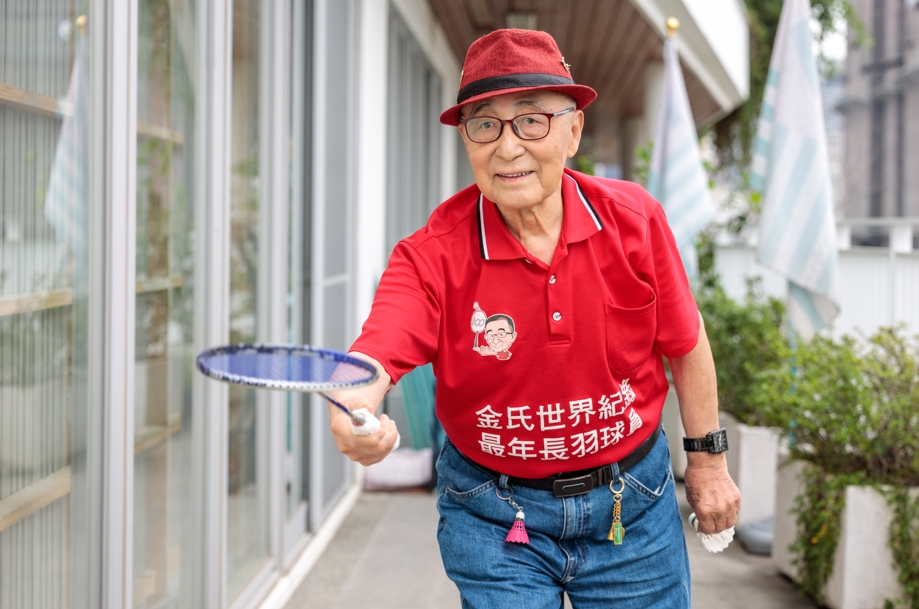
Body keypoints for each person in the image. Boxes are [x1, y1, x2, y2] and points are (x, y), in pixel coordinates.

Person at [328, 28, 740, 609]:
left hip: (633, 505)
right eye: (484, 124)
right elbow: (374, 352)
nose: (507, 146)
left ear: (573, 131)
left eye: (531, 120)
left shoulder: (635, 221)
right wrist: (354, 403)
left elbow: (686, 344)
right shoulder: (431, 253)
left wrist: (708, 463)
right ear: (466, 141)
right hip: (494, 516)